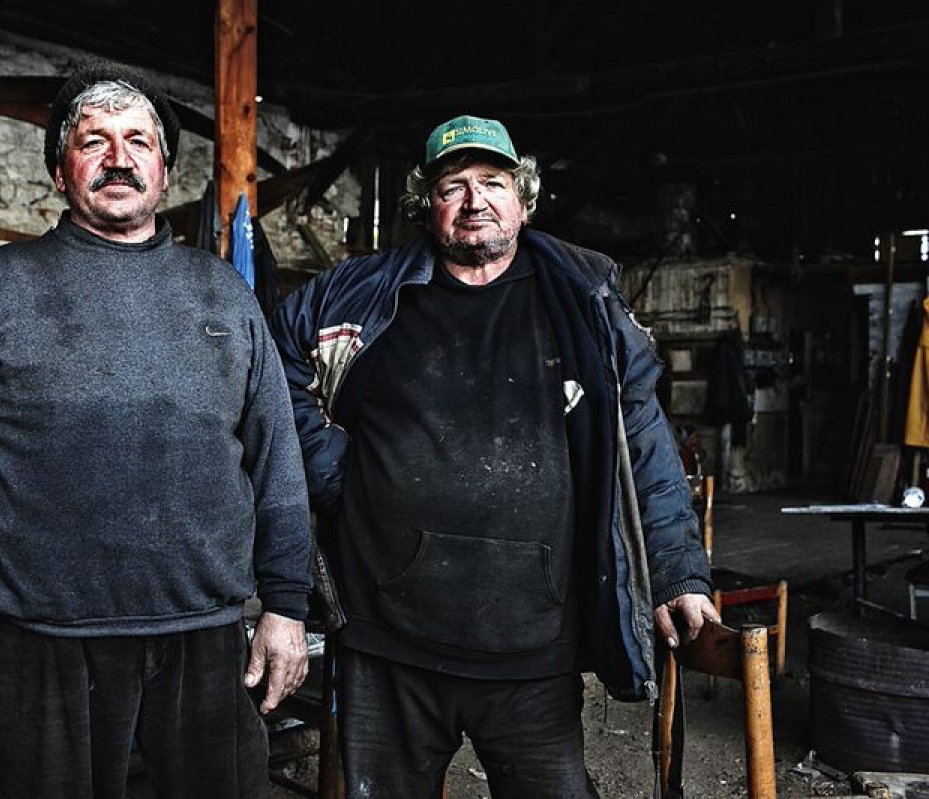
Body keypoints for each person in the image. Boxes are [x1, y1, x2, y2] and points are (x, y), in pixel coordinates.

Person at [0, 61, 313, 799]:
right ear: (61, 172)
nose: (119, 158)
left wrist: (286, 604)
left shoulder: (223, 293)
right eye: (94, 141)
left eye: (138, 141)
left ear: (164, 172)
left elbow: (277, 462)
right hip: (46, 643)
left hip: (203, 636)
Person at [270, 114, 718, 798]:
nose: (474, 200)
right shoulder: (360, 292)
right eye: (453, 186)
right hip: (388, 640)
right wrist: (335, 471)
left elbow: (643, 442)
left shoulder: (584, 300)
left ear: (524, 200)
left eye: (493, 182)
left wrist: (676, 571)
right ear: (428, 207)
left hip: (532, 645)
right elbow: (271, 365)